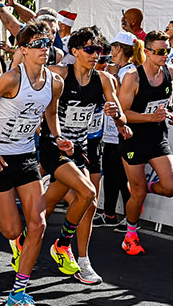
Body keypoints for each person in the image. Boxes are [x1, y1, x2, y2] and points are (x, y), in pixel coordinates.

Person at [0, 22, 71, 306]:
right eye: (37, 44)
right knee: (12, 230)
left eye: (47, 43)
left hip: (26, 156)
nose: (44, 49)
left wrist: (58, 137)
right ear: (23, 50)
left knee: (37, 225)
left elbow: (50, 112)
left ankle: (18, 293)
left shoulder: (55, 82)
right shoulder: (11, 79)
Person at [39, 28, 126, 285]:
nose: (95, 55)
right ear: (75, 51)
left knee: (80, 203)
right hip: (55, 145)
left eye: (98, 50)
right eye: (89, 50)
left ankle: (81, 259)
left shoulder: (104, 79)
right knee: (88, 194)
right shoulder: (59, 74)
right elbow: (31, 84)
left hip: (81, 147)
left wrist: (116, 114)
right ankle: (62, 245)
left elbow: (121, 115)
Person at [118, 30, 173, 256]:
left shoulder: (170, 72)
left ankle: (145, 188)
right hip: (133, 139)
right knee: (138, 194)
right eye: (160, 52)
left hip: (156, 137)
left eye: (167, 51)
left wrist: (168, 114)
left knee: (171, 187)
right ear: (147, 52)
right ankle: (130, 235)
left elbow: (166, 102)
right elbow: (122, 114)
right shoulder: (132, 77)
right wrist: (150, 117)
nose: (165, 55)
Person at [100, 32, 143, 230]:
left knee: (123, 176)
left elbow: (123, 105)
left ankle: (130, 218)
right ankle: (109, 213)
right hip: (111, 130)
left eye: (112, 47)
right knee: (110, 174)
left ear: (118, 48)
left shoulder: (129, 73)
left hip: (122, 131)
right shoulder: (120, 70)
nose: (110, 51)